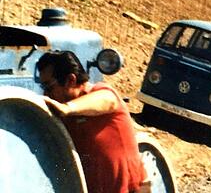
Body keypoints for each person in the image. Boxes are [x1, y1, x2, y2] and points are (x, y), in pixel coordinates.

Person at [36, 51, 148, 193]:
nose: (46, 94)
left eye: (49, 87)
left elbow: (108, 101)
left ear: (71, 80)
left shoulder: (101, 92)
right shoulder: (64, 114)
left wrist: (67, 108)